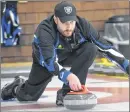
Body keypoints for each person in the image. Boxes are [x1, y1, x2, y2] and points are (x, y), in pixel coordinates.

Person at [1, 1, 129, 106]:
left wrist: (127, 66)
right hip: (45, 61)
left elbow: (106, 48)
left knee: (90, 48)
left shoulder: (83, 25)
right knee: (28, 97)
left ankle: (67, 92)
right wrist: (68, 76)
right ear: (56, 20)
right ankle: (15, 86)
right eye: (65, 22)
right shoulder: (44, 30)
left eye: (71, 22)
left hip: (70, 55)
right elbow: (49, 61)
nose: (69, 26)